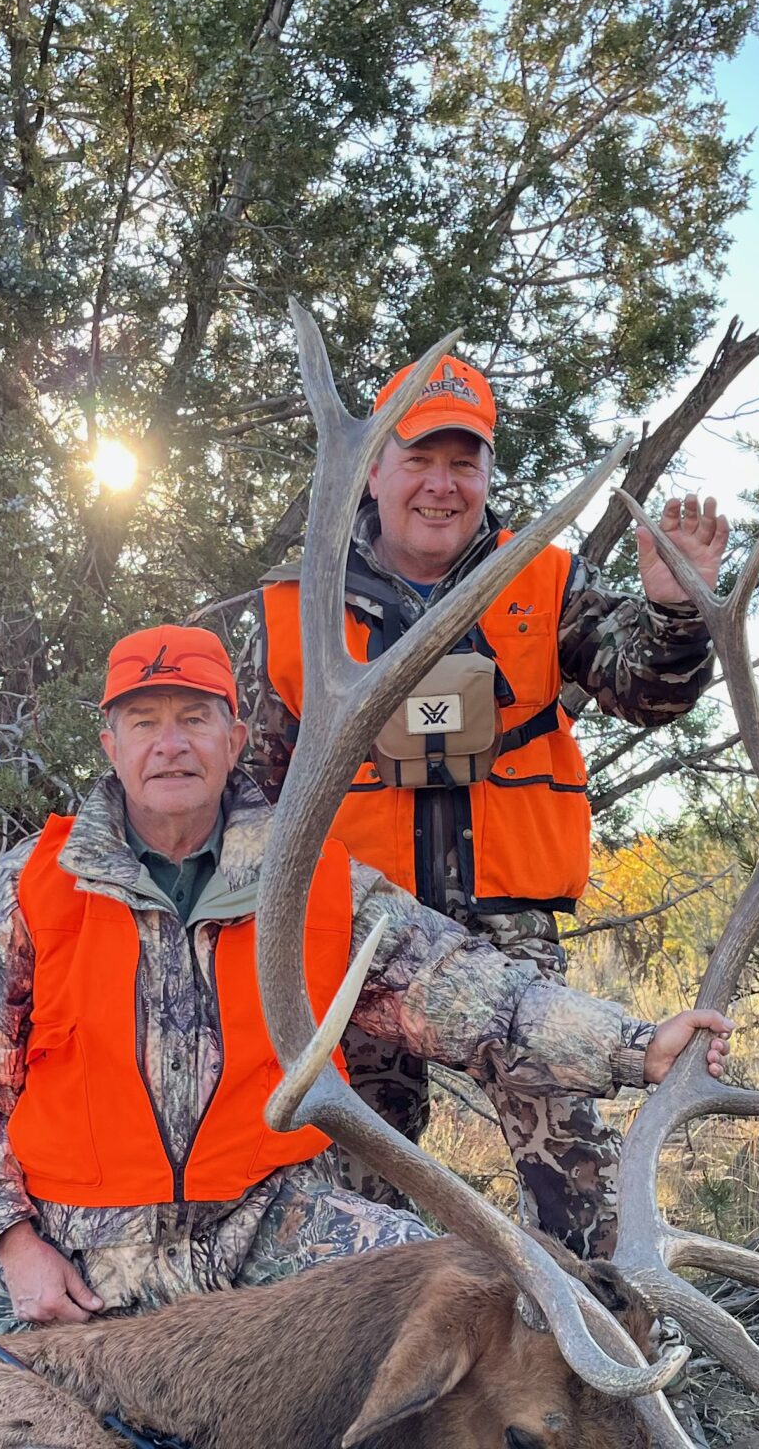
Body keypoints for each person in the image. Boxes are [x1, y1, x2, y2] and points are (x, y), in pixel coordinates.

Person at [0, 623, 730, 1326]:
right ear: (112, 747)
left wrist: (633, 1047)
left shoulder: (312, 879)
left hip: (274, 1226)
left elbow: (473, 994)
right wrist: (16, 1246)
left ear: (233, 739)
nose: (171, 743)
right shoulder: (30, 887)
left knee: (475, 1300)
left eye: (195, 718)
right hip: (83, 1256)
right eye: (145, 721)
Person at [241, 351, 727, 1261]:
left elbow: (648, 692)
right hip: (359, 942)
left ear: (489, 473)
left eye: (465, 461)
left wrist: (673, 613)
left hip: (511, 938)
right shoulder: (295, 604)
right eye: (420, 458)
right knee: (360, 1199)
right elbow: (247, 792)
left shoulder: (543, 581)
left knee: (577, 1183)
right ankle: (395, 1375)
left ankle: (608, 1362)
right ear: (375, 469)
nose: (442, 484)